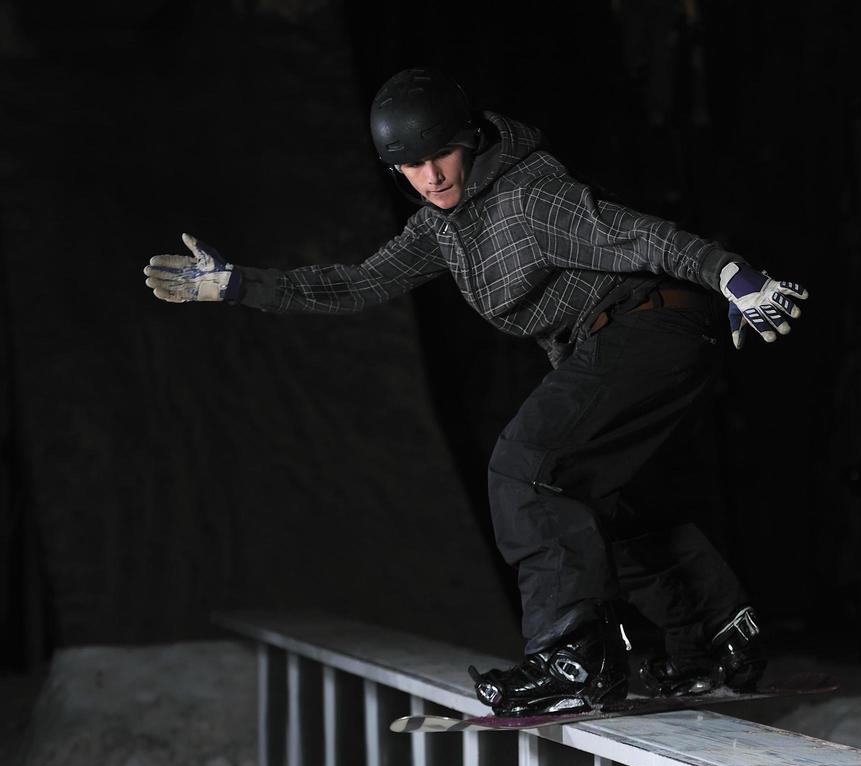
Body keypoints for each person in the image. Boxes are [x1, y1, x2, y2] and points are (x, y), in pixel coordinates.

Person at [143, 66, 806, 717]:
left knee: (528, 470)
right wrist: (237, 284)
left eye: (443, 154)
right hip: (625, 338)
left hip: (651, 321)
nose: (432, 177)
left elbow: (636, 232)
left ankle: (570, 653)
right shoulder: (442, 229)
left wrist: (731, 274)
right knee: (595, 500)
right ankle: (717, 639)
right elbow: (358, 282)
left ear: (470, 140)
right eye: (412, 166)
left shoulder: (530, 195)